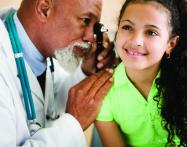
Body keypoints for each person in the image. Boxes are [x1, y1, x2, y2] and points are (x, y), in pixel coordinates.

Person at [95, 0, 187, 146]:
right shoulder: (104, 93)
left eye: (151, 32)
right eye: (127, 27)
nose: (136, 41)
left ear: (170, 44)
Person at [0, 0, 116, 146]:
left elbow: (53, 100)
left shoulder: (48, 52)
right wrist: (74, 123)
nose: (91, 37)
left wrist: (87, 71)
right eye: (85, 21)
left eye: (95, 26)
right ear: (44, 10)